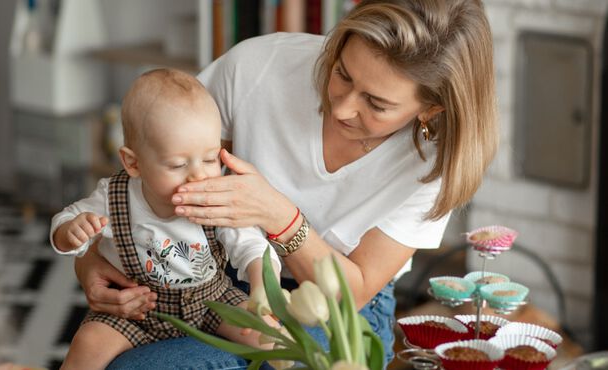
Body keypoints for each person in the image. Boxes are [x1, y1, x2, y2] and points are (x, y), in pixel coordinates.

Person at [74, 0, 498, 368]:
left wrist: (277, 214)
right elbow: (151, 173)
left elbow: (349, 296)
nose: (343, 108)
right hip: (208, 274)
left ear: (431, 109)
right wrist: (91, 262)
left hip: (340, 312)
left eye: (376, 103)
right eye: (343, 73)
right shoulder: (261, 67)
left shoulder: (434, 160)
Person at [51, 68, 281, 370]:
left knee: (271, 339)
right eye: (178, 164)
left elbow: (252, 245)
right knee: (87, 343)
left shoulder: (216, 199)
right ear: (133, 163)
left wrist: (262, 286)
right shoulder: (114, 196)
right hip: (136, 311)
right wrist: (71, 232)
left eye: (211, 159)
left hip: (210, 300)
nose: (199, 174)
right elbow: (64, 220)